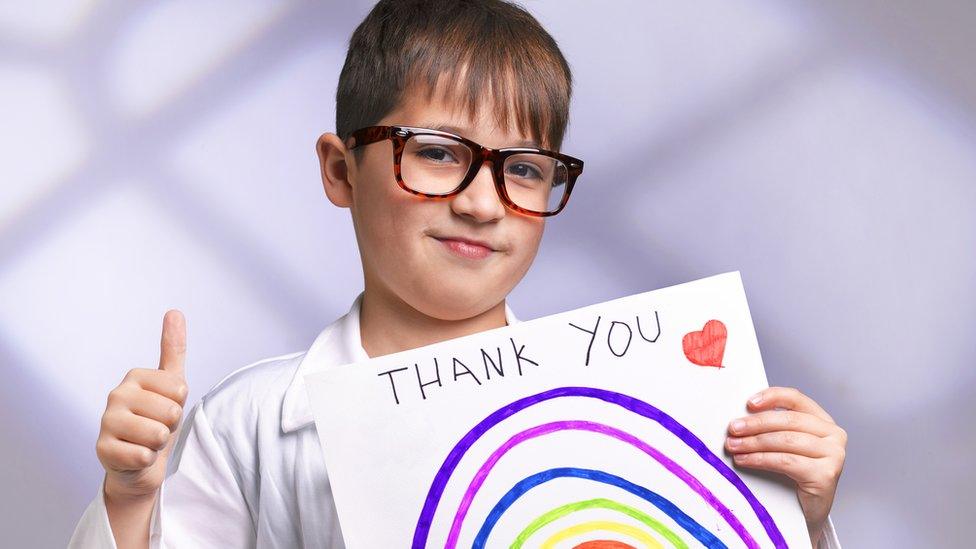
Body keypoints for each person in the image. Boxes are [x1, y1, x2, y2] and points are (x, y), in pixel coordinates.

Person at [69, 1, 846, 547]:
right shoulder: (247, 424)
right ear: (342, 170)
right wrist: (133, 500)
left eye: (526, 168)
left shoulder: (647, 405)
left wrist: (799, 518)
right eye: (438, 152)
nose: (483, 203)